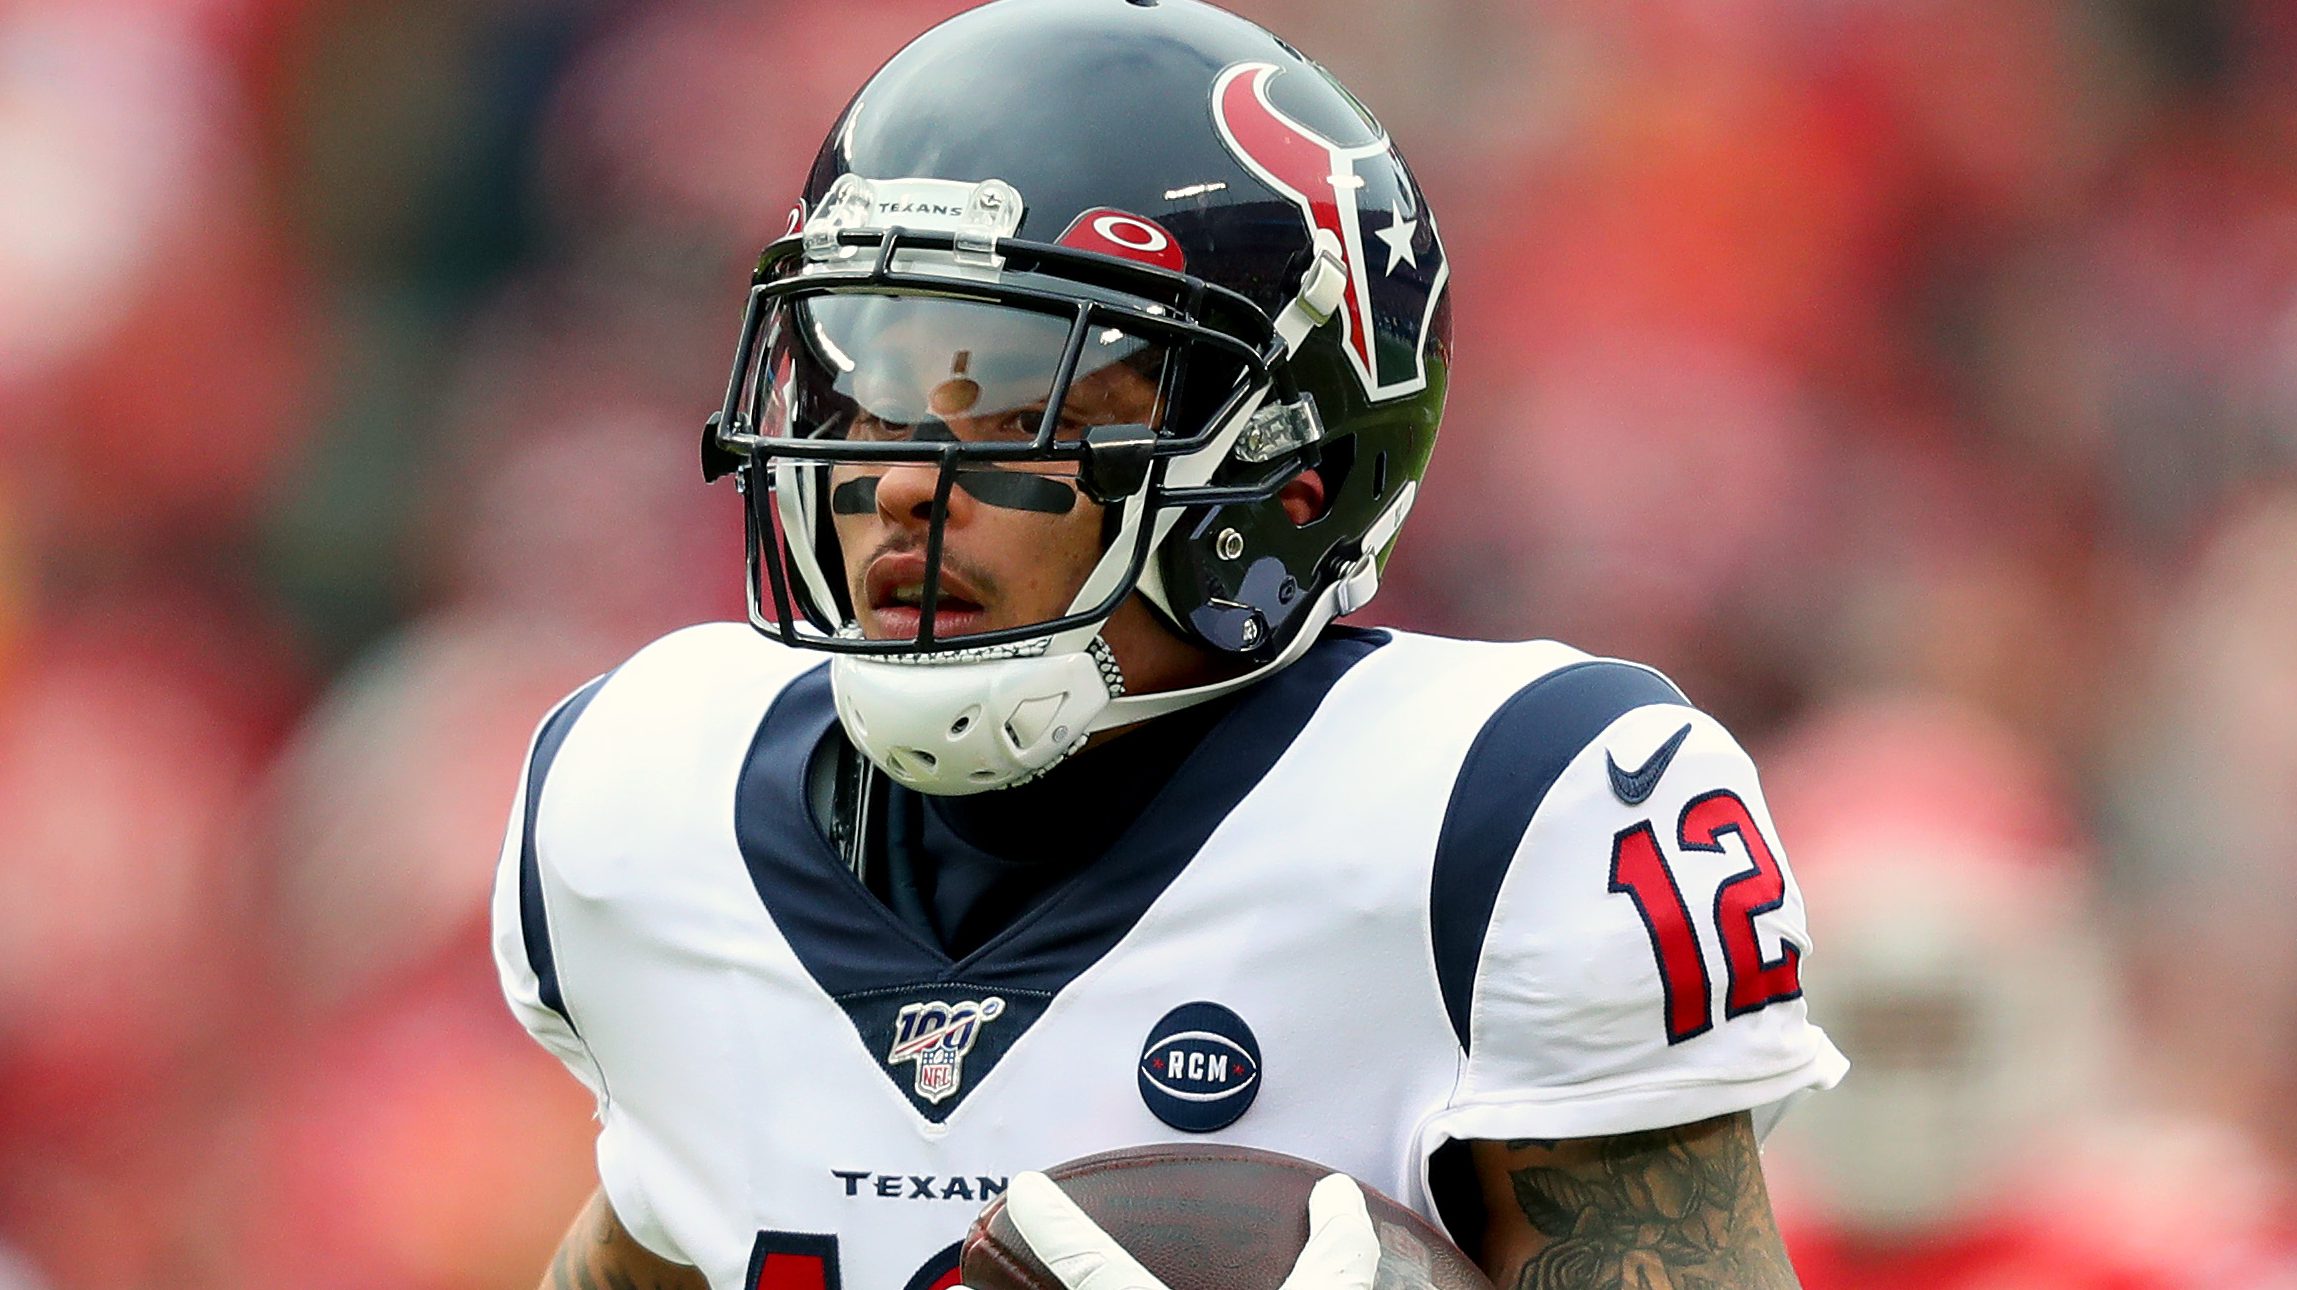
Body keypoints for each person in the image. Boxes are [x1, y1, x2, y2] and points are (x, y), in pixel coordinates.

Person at [490, 2, 1847, 1288]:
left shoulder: (1501, 818)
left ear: (1282, 477)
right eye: (870, 381)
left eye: (1014, 389)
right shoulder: (641, 803)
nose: (899, 475)